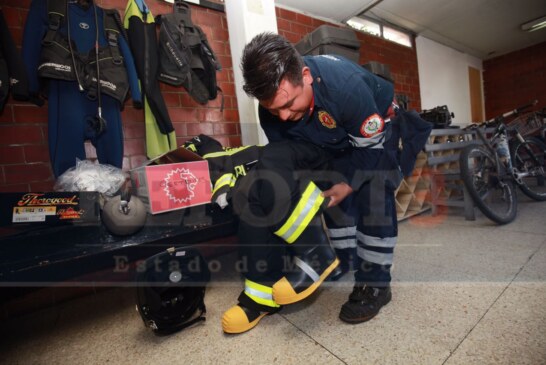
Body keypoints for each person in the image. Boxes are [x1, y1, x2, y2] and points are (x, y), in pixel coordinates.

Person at [222, 32, 402, 334]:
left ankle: (376, 283)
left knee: (372, 193)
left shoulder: (344, 87)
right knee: (288, 176)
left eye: (288, 104)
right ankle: (339, 260)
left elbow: (369, 152)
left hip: (373, 134)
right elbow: (295, 161)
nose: (282, 116)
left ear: (305, 76)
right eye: (272, 109)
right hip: (326, 138)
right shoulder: (275, 110)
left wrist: (348, 184)